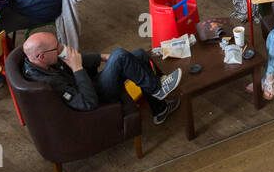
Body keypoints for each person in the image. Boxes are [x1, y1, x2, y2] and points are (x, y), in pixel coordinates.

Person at [20, 31, 182, 125]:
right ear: (41, 56)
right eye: (56, 48)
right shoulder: (48, 82)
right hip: (93, 98)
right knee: (120, 56)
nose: (61, 48)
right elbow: (87, 103)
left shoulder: (41, 61)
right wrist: (77, 68)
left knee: (137, 54)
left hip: (88, 84)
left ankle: (159, 110)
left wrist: (104, 57)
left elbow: (76, 58)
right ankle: (157, 89)